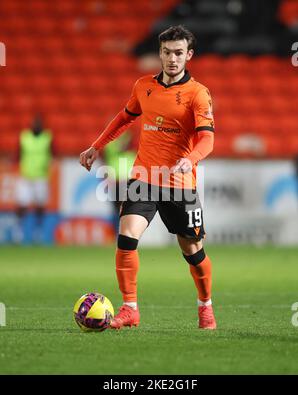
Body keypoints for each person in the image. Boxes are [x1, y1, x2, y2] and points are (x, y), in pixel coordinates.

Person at [80, 25, 216, 330]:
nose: (172, 58)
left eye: (178, 53)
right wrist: (96, 146)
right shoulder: (143, 86)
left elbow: (208, 139)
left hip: (181, 184)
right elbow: (123, 119)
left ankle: (205, 306)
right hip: (144, 178)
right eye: (167, 52)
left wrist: (189, 160)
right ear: (160, 53)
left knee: (193, 252)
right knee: (126, 239)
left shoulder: (198, 94)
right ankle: (130, 308)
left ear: (189, 55)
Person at [15, 115, 53, 243]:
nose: (36, 126)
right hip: (26, 176)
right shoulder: (24, 137)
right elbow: (18, 154)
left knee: (40, 206)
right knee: (22, 204)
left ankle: (38, 232)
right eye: (35, 123)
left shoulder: (47, 138)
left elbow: (52, 153)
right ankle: (19, 231)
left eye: (38, 123)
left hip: (41, 177)